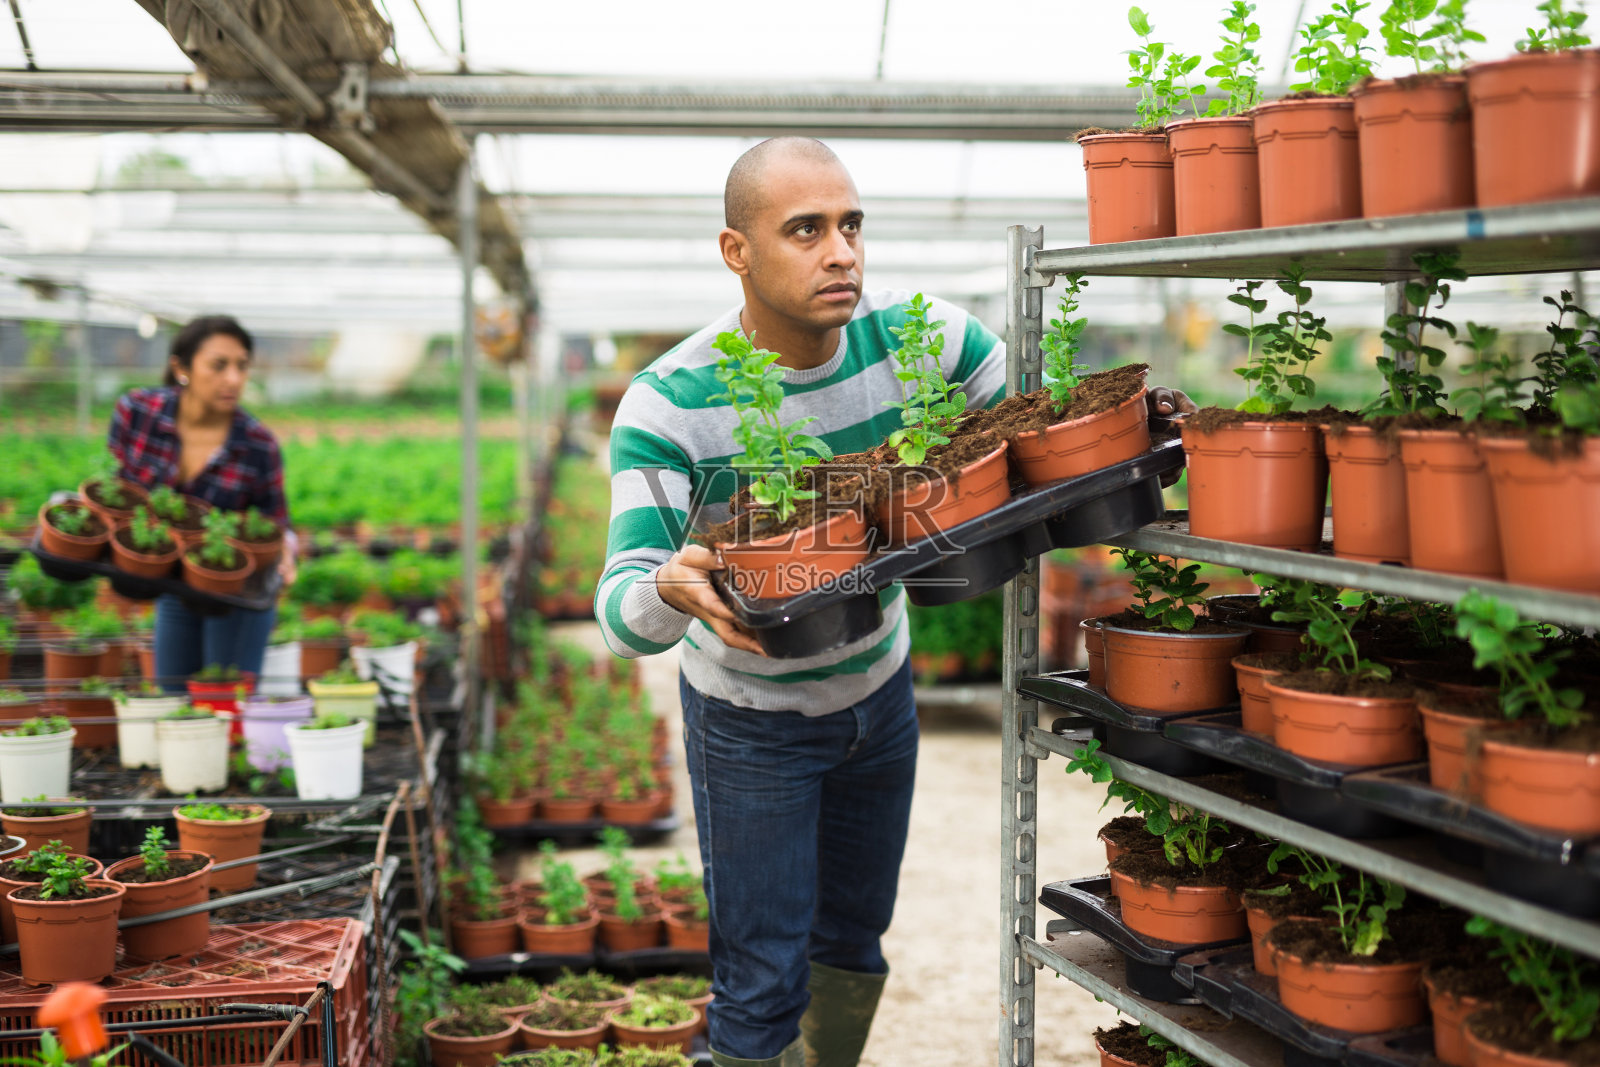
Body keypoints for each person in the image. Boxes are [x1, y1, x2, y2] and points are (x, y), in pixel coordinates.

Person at [597, 137, 1192, 1067]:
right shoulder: (672, 403)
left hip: (878, 695)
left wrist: (1123, 424)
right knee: (760, 980)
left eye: (851, 225)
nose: (841, 252)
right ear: (736, 251)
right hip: (749, 724)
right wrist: (667, 585)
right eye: (805, 230)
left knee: (853, 943)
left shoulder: (926, 342)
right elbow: (623, 602)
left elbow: (1035, 433)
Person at [107, 314, 296, 691]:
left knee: (224, 700)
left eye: (242, 366)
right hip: (176, 584)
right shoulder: (138, 414)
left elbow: (276, 522)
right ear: (182, 368)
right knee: (172, 694)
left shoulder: (257, 445)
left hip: (235, 591)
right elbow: (116, 494)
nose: (234, 379)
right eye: (219, 365)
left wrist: (285, 552)